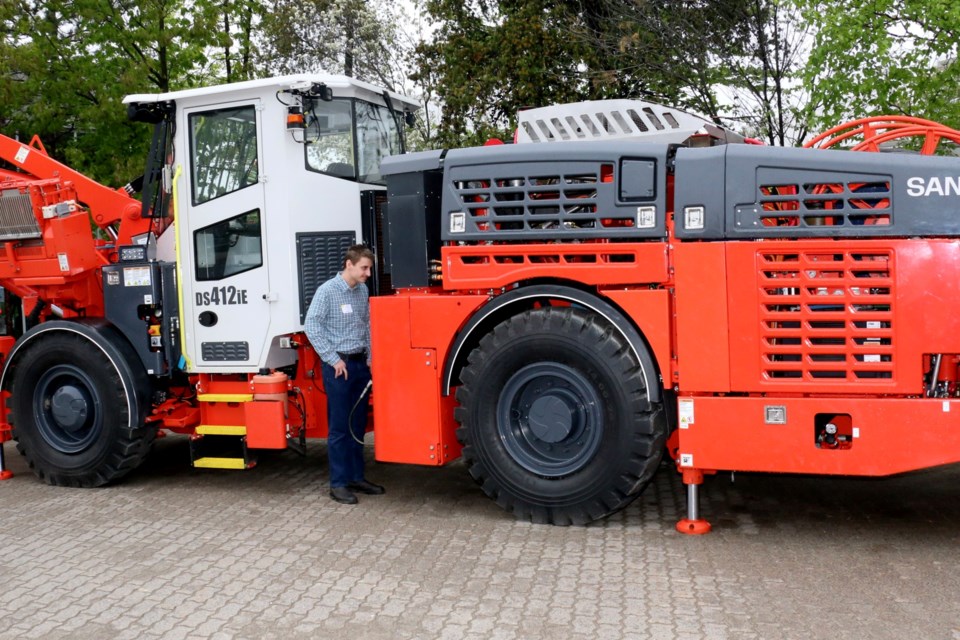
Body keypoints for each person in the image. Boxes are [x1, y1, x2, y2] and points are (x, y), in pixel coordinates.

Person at [304, 244, 385, 504]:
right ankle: (337, 484)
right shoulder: (327, 291)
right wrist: (332, 359)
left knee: (357, 425)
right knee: (340, 427)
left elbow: (368, 326)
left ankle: (356, 477)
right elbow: (311, 325)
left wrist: (371, 358)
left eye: (369, 268)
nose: (368, 273)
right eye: (364, 268)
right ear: (348, 264)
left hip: (360, 365)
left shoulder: (361, 291)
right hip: (339, 368)